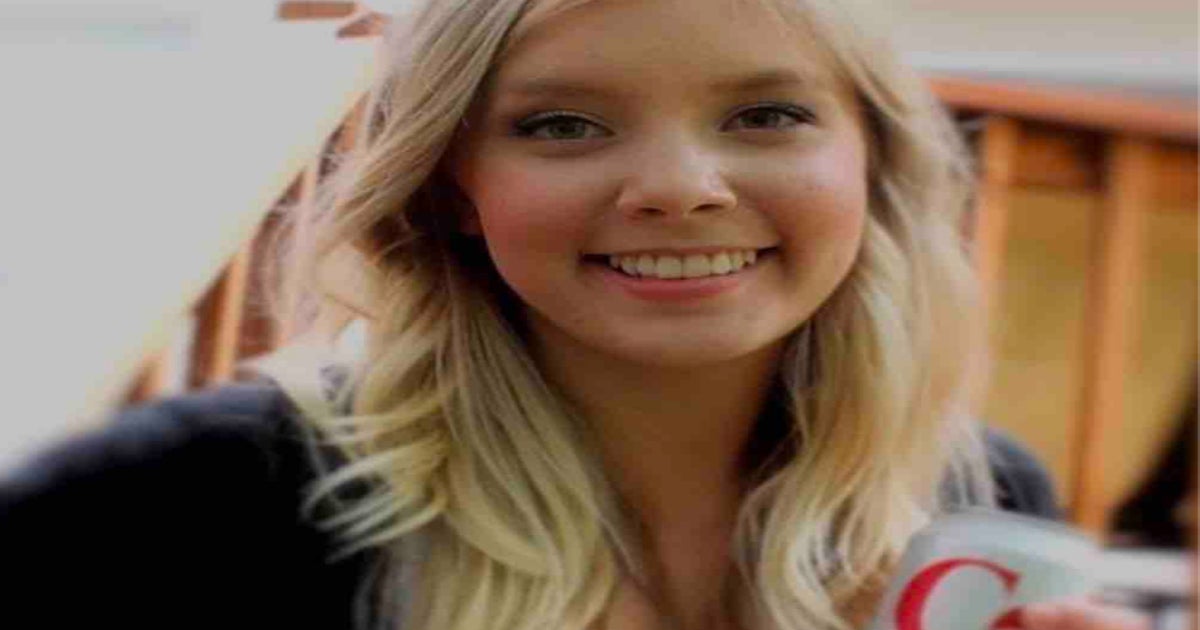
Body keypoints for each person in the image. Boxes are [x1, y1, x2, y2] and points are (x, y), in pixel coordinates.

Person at [0, 0, 1151, 629]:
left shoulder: (978, 502)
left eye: (766, 115)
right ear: (452, 189)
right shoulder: (201, 497)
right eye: (562, 125)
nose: (680, 188)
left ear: (872, 163)